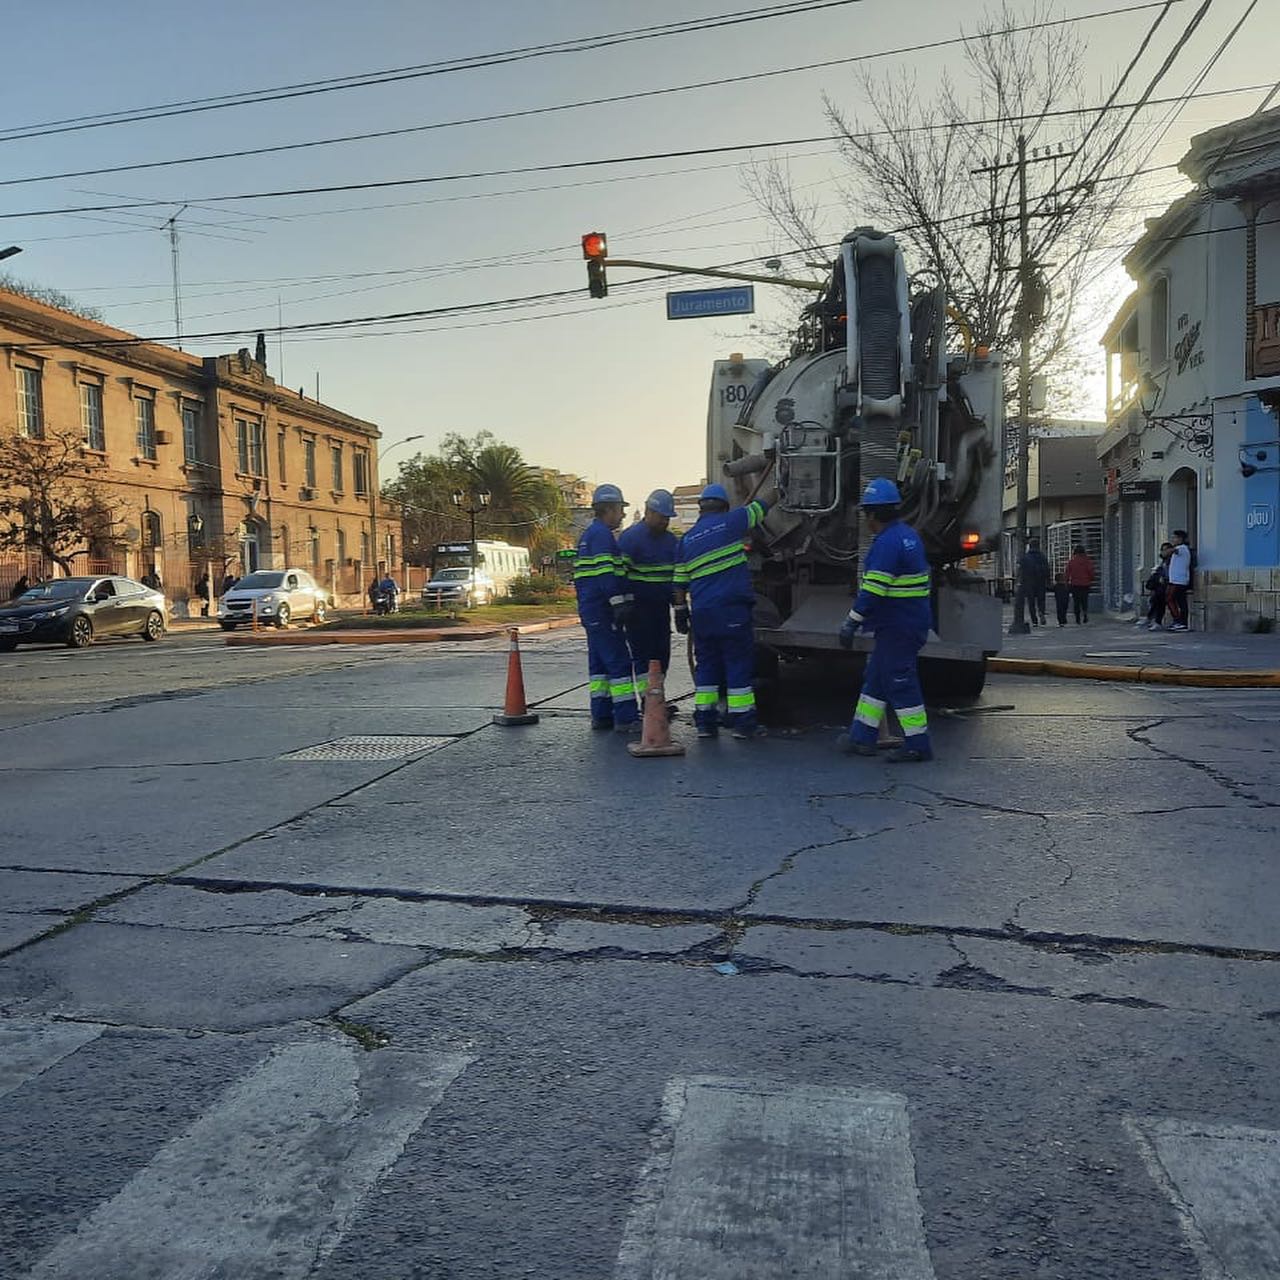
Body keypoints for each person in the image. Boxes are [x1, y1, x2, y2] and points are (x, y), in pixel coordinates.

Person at [836, 477, 933, 763]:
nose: (866, 519)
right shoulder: (908, 536)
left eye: (866, 513)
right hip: (905, 623)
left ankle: (918, 744)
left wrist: (851, 621)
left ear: (874, 514)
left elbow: (873, 591)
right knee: (876, 680)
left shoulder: (887, 544)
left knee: (900, 682)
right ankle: (862, 737)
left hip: (897, 626)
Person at [672, 482, 770, 740]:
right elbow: (761, 507)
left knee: (707, 666)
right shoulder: (732, 522)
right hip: (731, 611)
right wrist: (781, 486)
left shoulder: (687, 539)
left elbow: (679, 580)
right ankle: (743, 723)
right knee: (737, 664)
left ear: (701, 509)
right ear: (724, 507)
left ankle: (705, 722)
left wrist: (680, 611)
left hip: (702, 615)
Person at [574, 483, 639, 734]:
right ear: (608, 509)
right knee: (619, 662)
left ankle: (601, 715)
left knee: (599, 666)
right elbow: (605, 573)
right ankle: (626, 718)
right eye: (619, 509)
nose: (622, 515)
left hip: (591, 610)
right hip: (602, 611)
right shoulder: (601, 536)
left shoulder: (590, 535)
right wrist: (619, 603)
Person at [618, 489, 678, 675]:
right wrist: (623, 605)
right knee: (643, 657)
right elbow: (620, 575)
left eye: (667, 518)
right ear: (648, 512)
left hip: (661, 609)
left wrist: (680, 607)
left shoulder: (671, 541)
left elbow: (678, 575)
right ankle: (648, 701)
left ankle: (656, 699)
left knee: (662, 657)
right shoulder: (630, 538)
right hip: (638, 611)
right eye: (661, 517)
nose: (665, 522)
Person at [1140, 543, 1173, 630]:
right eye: (1162, 550)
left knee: (1159, 597)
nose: (1163, 552)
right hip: (1163, 585)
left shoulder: (1172, 560)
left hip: (1171, 584)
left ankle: (1155, 620)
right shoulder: (1164, 561)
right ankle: (1152, 619)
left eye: (1165, 549)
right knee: (1156, 596)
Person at [1018, 538, 1050, 626]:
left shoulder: (1025, 557)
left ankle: (1034, 620)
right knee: (1041, 600)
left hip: (1029, 582)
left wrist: (1021, 582)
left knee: (1031, 601)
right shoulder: (1042, 556)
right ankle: (1041, 612)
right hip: (1041, 581)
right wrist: (1048, 581)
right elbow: (1047, 569)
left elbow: (1021, 571)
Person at [1166, 529, 1192, 631]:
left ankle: (1179, 621)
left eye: (1175, 537)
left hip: (1178, 581)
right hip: (1176, 580)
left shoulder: (1182, 548)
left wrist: (1169, 550)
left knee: (1169, 598)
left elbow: (1172, 551)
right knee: (1180, 601)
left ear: (1180, 538)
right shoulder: (1181, 549)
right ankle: (1181, 622)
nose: (1173, 540)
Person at [1065, 544, 1095, 623]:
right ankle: (1085, 613)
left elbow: (1067, 573)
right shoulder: (1087, 561)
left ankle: (1077, 618)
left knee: (1076, 602)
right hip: (1085, 584)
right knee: (1084, 600)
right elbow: (1091, 571)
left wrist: (1066, 582)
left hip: (1075, 584)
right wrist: (1091, 579)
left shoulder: (1072, 561)